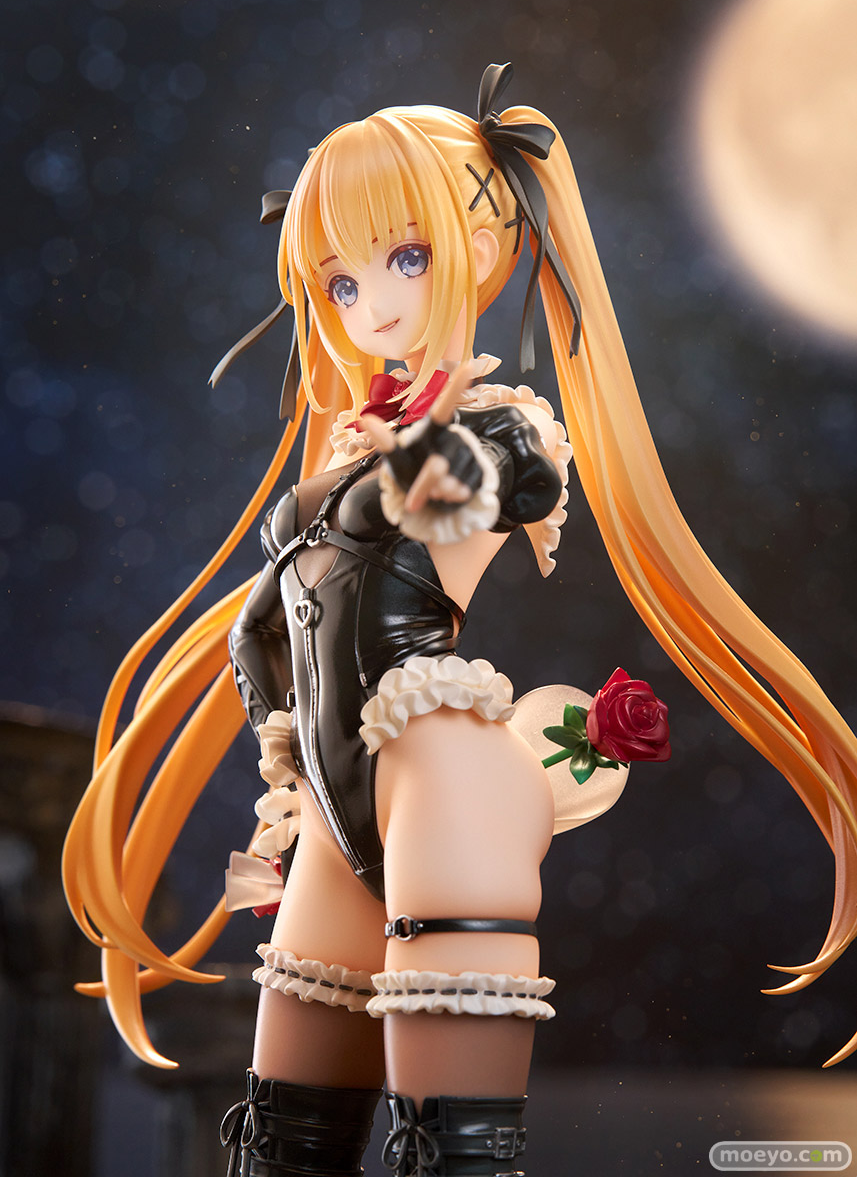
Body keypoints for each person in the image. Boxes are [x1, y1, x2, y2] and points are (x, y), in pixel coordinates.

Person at [63, 64, 857, 1177]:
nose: (371, 304)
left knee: (450, 1149)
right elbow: (268, 624)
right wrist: (279, 739)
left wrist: (406, 442)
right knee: (284, 1138)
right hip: (336, 795)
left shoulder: (506, 430)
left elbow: (475, 496)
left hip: (441, 782)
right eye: (338, 282)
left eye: (405, 257)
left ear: (480, 244)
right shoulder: (348, 447)